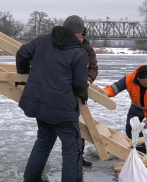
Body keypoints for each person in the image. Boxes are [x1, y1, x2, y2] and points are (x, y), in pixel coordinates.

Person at [16, 15, 89, 182]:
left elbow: (22, 54)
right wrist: (83, 96)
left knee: (43, 141)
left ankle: (31, 178)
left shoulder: (42, 40)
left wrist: (23, 73)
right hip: (63, 109)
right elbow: (79, 85)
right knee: (72, 148)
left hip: (40, 104)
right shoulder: (79, 53)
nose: (81, 37)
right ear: (78, 34)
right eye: (81, 34)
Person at [104, 65, 147, 154]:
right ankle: (140, 152)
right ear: (138, 79)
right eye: (144, 83)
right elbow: (114, 88)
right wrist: (102, 94)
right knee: (131, 128)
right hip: (137, 107)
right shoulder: (129, 79)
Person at [78, 28, 98, 167]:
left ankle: (78, 156)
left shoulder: (88, 50)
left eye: (82, 36)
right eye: (79, 36)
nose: (80, 38)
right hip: (62, 91)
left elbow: (93, 68)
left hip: (80, 91)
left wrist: (88, 80)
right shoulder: (64, 47)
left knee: (80, 126)